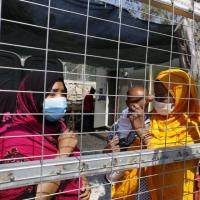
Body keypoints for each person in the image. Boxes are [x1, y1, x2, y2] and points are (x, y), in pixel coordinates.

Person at [0, 71, 91, 200]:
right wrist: (63, 154)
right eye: (52, 94)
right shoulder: (14, 138)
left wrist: (83, 182)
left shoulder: (60, 127)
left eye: (63, 94)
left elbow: (76, 162)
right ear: (32, 97)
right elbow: (35, 197)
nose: (60, 99)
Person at [112, 69, 200, 200]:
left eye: (162, 96)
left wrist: (143, 132)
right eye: (155, 95)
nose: (156, 100)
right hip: (142, 189)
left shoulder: (193, 126)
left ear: (180, 95)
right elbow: (134, 150)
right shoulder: (151, 116)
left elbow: (170, 155)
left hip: (174, 192)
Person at [104, 86, 152, 200]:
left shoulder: (154, 123)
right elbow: (105, 150)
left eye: (138, 100)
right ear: (126, 102)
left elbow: (155, 148)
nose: (134, 105)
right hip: (120, 183)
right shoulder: (118, 124)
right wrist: (109, 148)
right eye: (131, 101)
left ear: (146, 101)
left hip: (142, 183)